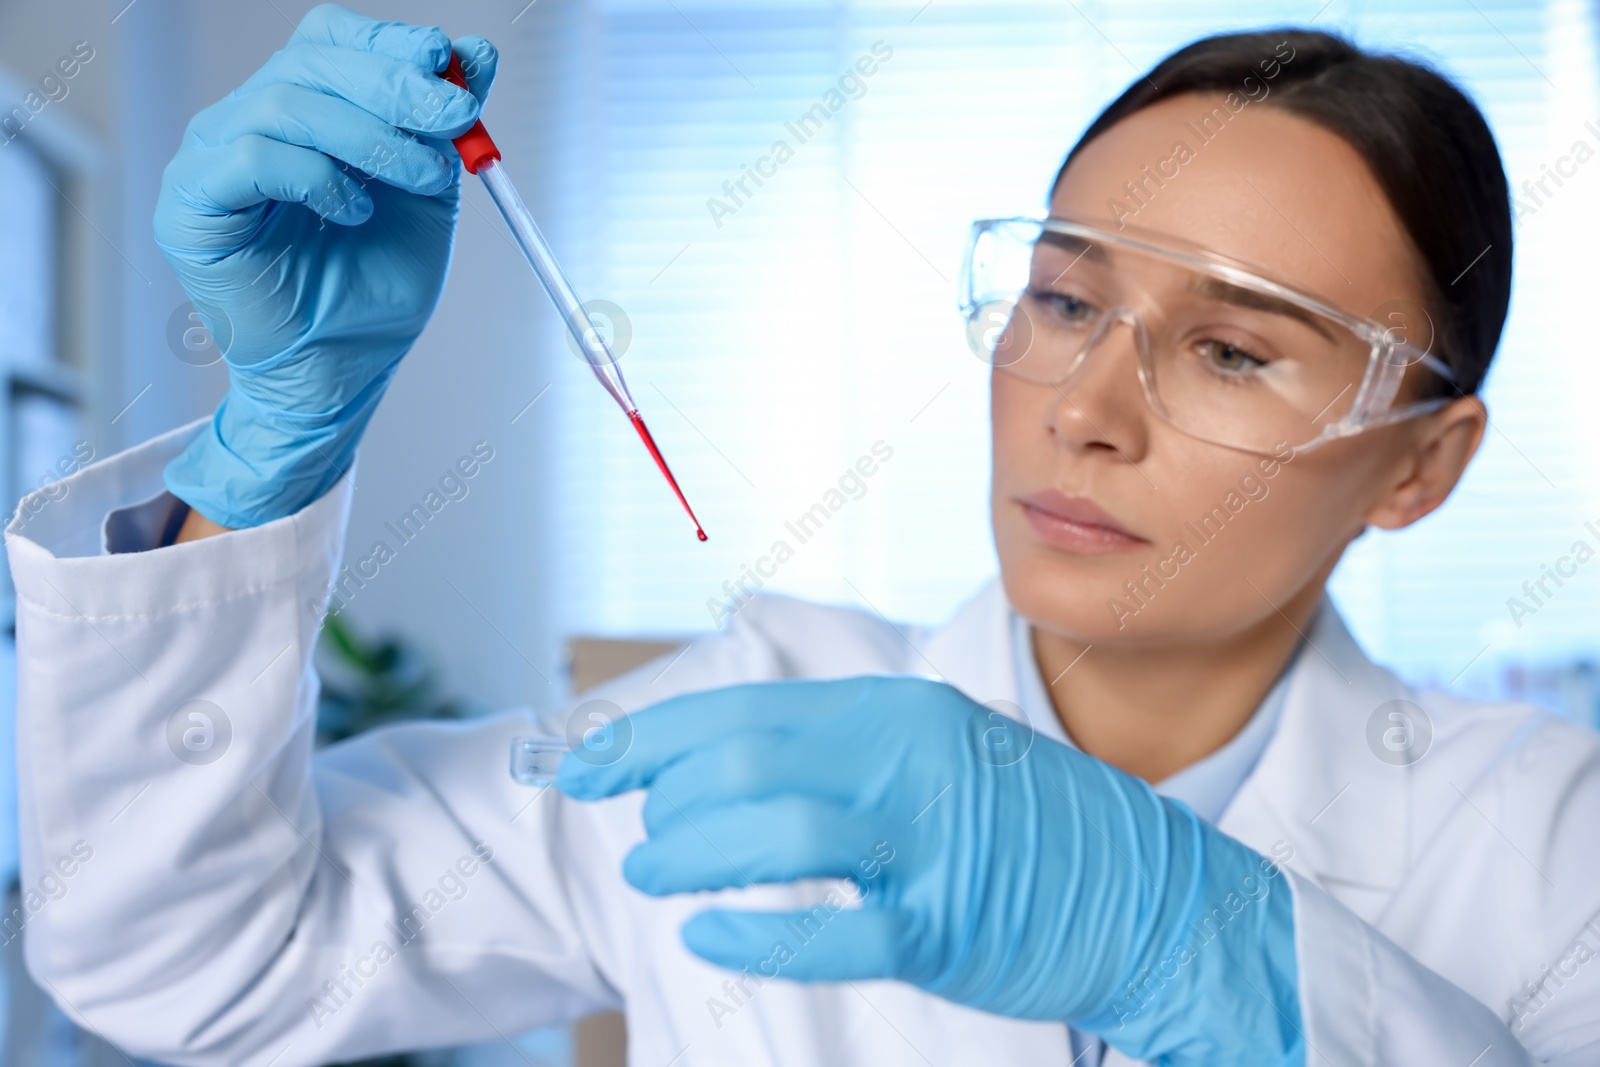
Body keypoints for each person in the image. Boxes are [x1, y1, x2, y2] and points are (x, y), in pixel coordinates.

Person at [7, 6, 1597, 1065]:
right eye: (1062, 299)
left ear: (1420, 467)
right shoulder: (746, 720)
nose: (1085, 408)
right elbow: (195, 960)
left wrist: (1207, 948)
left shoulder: (1549, 845)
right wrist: (271, 445)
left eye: (1236, 349)